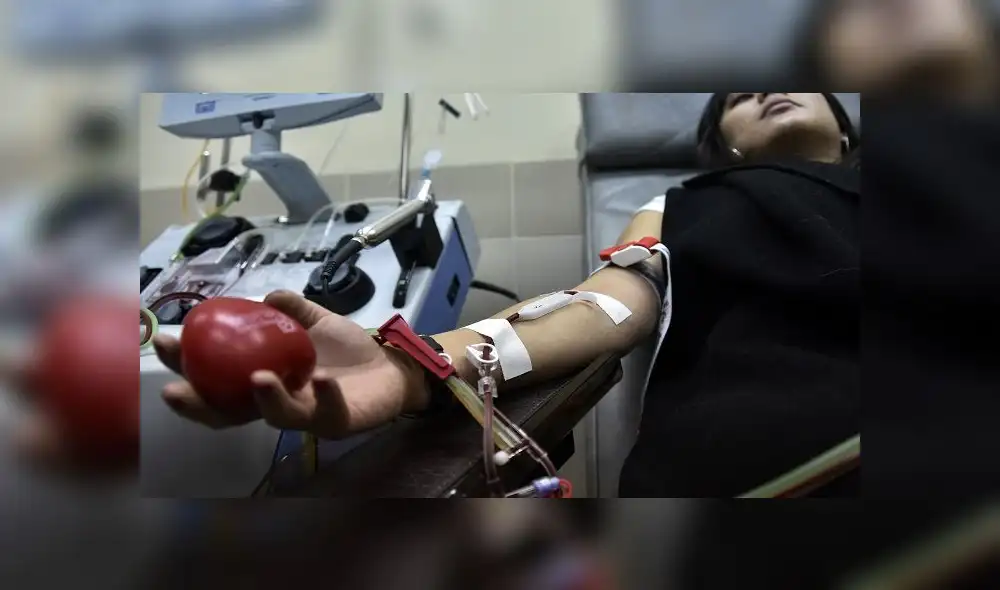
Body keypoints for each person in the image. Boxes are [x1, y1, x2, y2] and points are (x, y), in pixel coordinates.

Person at [141, 92, 860, 498]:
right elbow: (602, 307)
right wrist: (412, 364)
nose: (765, 87)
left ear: (850, 129)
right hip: (745, 464)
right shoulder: (679, 204)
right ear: (723, 146)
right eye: (735, 97)